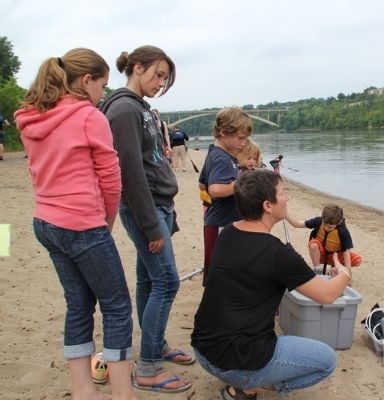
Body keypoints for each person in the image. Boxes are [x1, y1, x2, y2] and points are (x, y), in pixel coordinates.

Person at [14, 48, 136, 400]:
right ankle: (122, 393)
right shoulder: (88, 117)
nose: (103, 93)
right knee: (116, 306)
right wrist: (107, 220)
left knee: (78, 304)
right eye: (102, 85)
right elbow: (111, 180)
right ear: (86, 82)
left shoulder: (30, 118)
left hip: (46, 222)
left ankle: (83, 390)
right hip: (82, 224)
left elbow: (35, 170)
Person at [191, 169, 353, 400]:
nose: (287, 198)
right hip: (237, 360)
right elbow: (328, 295)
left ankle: (243, 381)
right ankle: (248, 387)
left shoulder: (228, 232)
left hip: (204, 351)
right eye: (282, 193)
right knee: (327, 360)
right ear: (268, 205)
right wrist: (344, 273)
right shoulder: (278, 254)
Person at [101, 45, 193, 393]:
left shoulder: (140, 109)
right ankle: (149, 367)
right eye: (157, 75)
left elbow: (150, 161)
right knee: (167, 282)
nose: (160, 83)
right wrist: (152, 224)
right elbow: (130, 172)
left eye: (165, 79)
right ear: (137, 68)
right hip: (146, 209)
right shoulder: (124, 109)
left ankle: (156, 346)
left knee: (149, 281)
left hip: (158, 206)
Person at [199, 107, 252, 286]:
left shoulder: (216, 154)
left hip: (217, 223)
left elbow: (202, 183)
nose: (244, 143)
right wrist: (243, 182)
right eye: (240, 138)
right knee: (220, 275)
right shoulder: (222, 158)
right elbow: (215, 189)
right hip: (221, 225)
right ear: (223, 132)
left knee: (220, 272)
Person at [286, 204, 362, 275]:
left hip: (335, 256)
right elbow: (297, 224)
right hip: (321, 254)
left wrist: (347, 273)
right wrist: (285, 215)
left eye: (330, 227)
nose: (326, 228)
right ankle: (317, 270)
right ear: (322, 218)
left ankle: (335, 267)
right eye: (324, 224)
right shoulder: (318, 221)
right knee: (313, 245)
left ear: (338, 222)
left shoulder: (343, 231)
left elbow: (346, 253)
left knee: (357, 260)